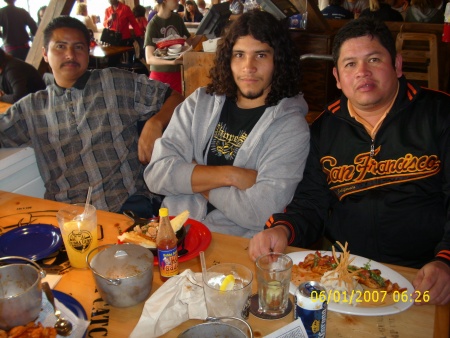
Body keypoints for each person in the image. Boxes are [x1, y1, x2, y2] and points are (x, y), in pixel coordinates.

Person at [248, 17, 450, 306]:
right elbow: (310, 204)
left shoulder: (440, 114)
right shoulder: (323, 129)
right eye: (350, 64)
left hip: (427, 274)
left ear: (397, 65)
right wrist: (282, 229)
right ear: (338, 78)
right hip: (347, 276)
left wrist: (446, 260)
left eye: (374, 59)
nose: (362, 72)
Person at [144, 10, 310, 238]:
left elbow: (260, 211)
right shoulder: (198, 103)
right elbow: (157, 175)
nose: (248, 67)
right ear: (228, 59)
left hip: (235, 247)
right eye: (239, 55)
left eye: (261, 55)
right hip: (176, 236)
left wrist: (194, 176)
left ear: (278, 61)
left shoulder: (291, 127)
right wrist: (231, 175)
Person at [0, 16, 184, 218]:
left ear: (87, 52)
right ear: (45, 53)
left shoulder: (115, 81)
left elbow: (175, 97)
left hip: (127, 208)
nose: (70, 54)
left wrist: (155, 123)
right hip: (70, 218)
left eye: (78, 47)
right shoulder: (31, 108)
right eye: (60, 47)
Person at [144, 0, 192, 93]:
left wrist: (203, 31)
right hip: (159, 76)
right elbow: (149, 59)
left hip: (177, 74)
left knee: (178, 106)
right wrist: (172, 62)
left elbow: (189, 42)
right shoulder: (153, 25)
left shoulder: (177, 19)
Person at [103, 0, 144, 66]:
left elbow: (134, 23)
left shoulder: (125, 8)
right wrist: (110, 19)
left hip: (124, 38)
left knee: (118, 58)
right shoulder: (107, 10)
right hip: (112, 39)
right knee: (111, 59)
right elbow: (105, 24)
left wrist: (139, 35)